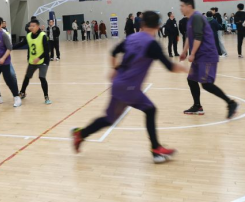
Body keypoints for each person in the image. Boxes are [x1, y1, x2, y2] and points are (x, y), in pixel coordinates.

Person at [71, 11, 186, 163]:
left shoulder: (131, 38)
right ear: (158, 26)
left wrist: (114, 69)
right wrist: (187, 69)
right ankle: (156, 149)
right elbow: (170, 67)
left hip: (118, 84)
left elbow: (113, 52)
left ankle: (81, 134)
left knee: (110, 119)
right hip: (130, 88)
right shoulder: (152, 44)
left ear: (142, 24)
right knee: (150, 110)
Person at [179, 0, 238, 118]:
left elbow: (198, 37)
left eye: (182, 6)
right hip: (199, 56)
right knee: (191, 80)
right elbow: (189, 37)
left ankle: (231, 103)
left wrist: (192, 53)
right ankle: (197, 106)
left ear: (189, 6)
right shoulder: (190, 19)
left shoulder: (197, 17)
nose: (181, 8)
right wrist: (184, 52)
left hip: (206, 55)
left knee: (206, 84)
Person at [0, 17, 22, 107]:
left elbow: (9, 48)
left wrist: (3, 58)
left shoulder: (3, 35)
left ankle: (17, 97)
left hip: (5, 62)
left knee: (8, 79)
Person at [19, 19, 51, 104]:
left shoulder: (43, 35)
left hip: (43, 60)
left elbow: (47, 50)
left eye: (33, 26)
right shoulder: (29, 35)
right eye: (30, 26)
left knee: (42, 77)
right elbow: (21, 44)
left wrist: (39, 58)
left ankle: (46, 97)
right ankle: (22, 92)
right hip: (33, 61)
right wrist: (10, 47)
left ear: (38, 26)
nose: (31, 27)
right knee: (27, 77)